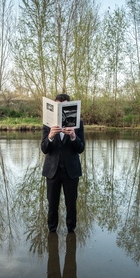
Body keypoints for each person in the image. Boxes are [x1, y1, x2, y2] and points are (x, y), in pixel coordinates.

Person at [41, 93, 85, 233]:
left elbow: (81, 148)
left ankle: (71, 232)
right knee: (52, 205)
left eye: (64, 106)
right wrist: (50, 136)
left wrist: (73, 137)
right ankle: (52, 233)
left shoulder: (78, 124)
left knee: (71, 205)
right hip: (52, 172)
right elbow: (44, 149)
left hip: (71, 171)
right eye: (58, 106)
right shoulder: (47, 124)